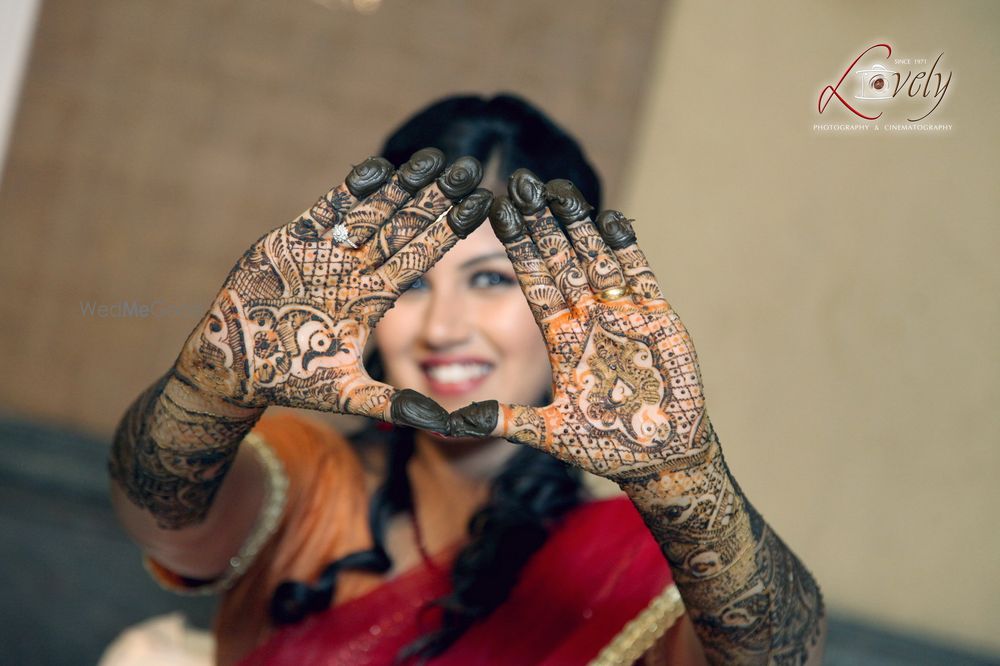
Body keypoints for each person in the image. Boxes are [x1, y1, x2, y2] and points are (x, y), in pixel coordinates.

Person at [109, 94, 826, 665]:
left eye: (488, 278)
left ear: (573, 306)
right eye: (412, 284)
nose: (443, 328)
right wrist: (205, 388)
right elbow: (162, 517)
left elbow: (780, 658)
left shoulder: (630, 566)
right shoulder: (308, 478)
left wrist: (691, 480)